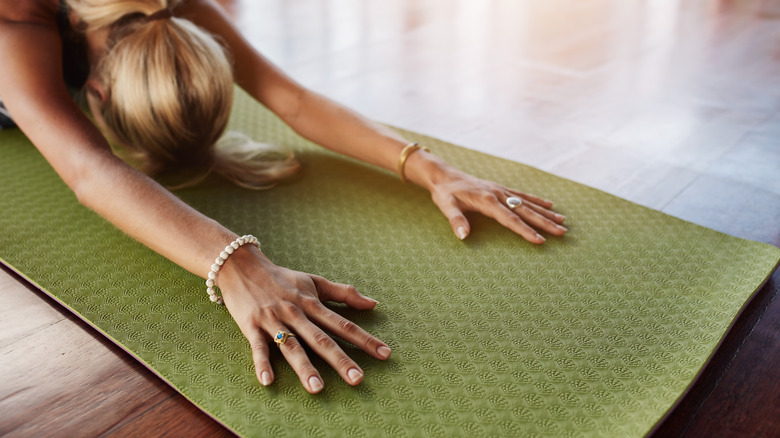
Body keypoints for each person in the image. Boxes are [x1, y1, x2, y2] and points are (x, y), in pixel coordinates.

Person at [0, 0, 567, 394]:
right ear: (92, 94)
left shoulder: (170, 8)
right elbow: (88, 167)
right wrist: (238, 264)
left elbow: (292, 101)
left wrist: (434, 170)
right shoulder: (18, 21)